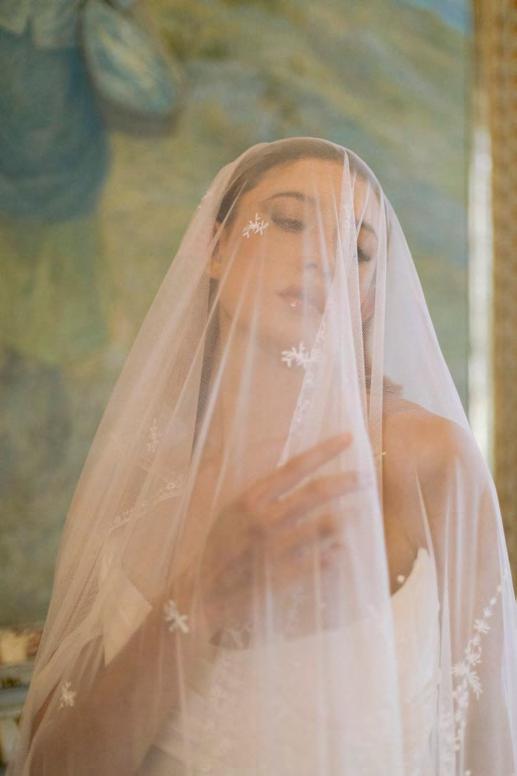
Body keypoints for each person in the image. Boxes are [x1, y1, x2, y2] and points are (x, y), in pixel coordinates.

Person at [7, 137, 517, 775]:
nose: (322, 256)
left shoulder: (428, 462)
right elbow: (53, 765)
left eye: (358, 250)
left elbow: (488, 745)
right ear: (215, 247)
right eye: (290, 220)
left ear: (367, 298)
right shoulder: (144, 485)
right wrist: (202, 597)